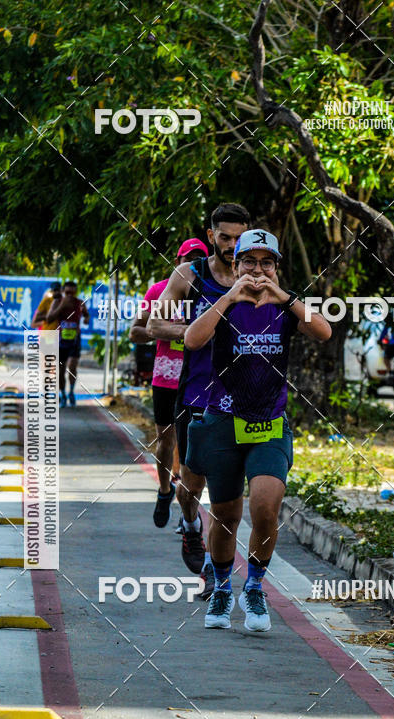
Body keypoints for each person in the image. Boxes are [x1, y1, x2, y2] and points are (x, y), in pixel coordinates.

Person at [184, 228, 331, 632]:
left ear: (277, 268)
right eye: (249, 261)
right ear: (236, 265)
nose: (258, 270)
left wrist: (284, 297)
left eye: (267, 262)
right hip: (223, 424)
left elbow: (323, 331)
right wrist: (230, 297)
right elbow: (192, 340)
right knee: (225, 516)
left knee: (265, 506)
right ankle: (220, 589)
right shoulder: (223, 303)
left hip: (269, 425)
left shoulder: (286, 308)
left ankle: (254, 586)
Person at [146, 203, 251, 586]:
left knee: (227, 494)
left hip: (241, 399)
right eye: (224, 237)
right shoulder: (190, 275)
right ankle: (190, 523)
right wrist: (198, 330)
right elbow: (155, 324)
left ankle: (216, 571)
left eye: (239, 237)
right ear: (211, 236)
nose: (232, 245)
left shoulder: (258, 276)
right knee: (191, 487)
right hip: (194, 396)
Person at [130, 238, 208, 529]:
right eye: (188, 259)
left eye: (199, 259)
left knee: (194, 447)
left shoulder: (211, 291)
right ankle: (164, 491)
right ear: (177, 262)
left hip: (199, 378)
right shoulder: (159, 291)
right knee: (166, 439)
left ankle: (187, 509)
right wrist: (172, 332)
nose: (192, 264)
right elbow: (136, 331)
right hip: (166, 376)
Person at [47, 280, 89, 407]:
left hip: (75, 340)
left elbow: (87, 316)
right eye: (67, 292)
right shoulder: (57, 302)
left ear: (75, 292)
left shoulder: (80, 303)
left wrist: (86, 318)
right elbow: (49, 319)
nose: (70, 295)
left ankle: (71, 391)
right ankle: (63, 394)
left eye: (72, 292)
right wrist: (61, 306)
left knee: (72, 366)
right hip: (61, 341)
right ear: (64, 292)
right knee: (60, 370)